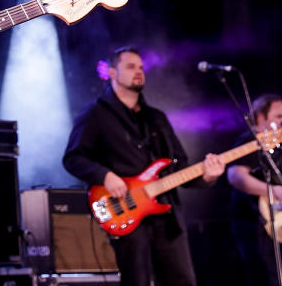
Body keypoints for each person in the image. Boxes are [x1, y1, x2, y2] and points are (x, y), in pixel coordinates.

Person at [62, 47, 226, 286]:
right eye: (130, 67)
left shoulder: (157, 118)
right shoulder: (96, 114)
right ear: (112, 73)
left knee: (183, 280)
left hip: (168, 217)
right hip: (127, 214)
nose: (139, 72)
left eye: (141, 67)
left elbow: (179, 167)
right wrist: (105, 176)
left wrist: (208, 177)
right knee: (136, 280)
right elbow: (73, 158)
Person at [227, 93, 282, 286]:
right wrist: (273, 191)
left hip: (278, 224)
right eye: (279, 117)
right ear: (260, 118)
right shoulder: (249, 143)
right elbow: (236, 176)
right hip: (254, 222)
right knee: (267, 277)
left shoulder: (277, 143)